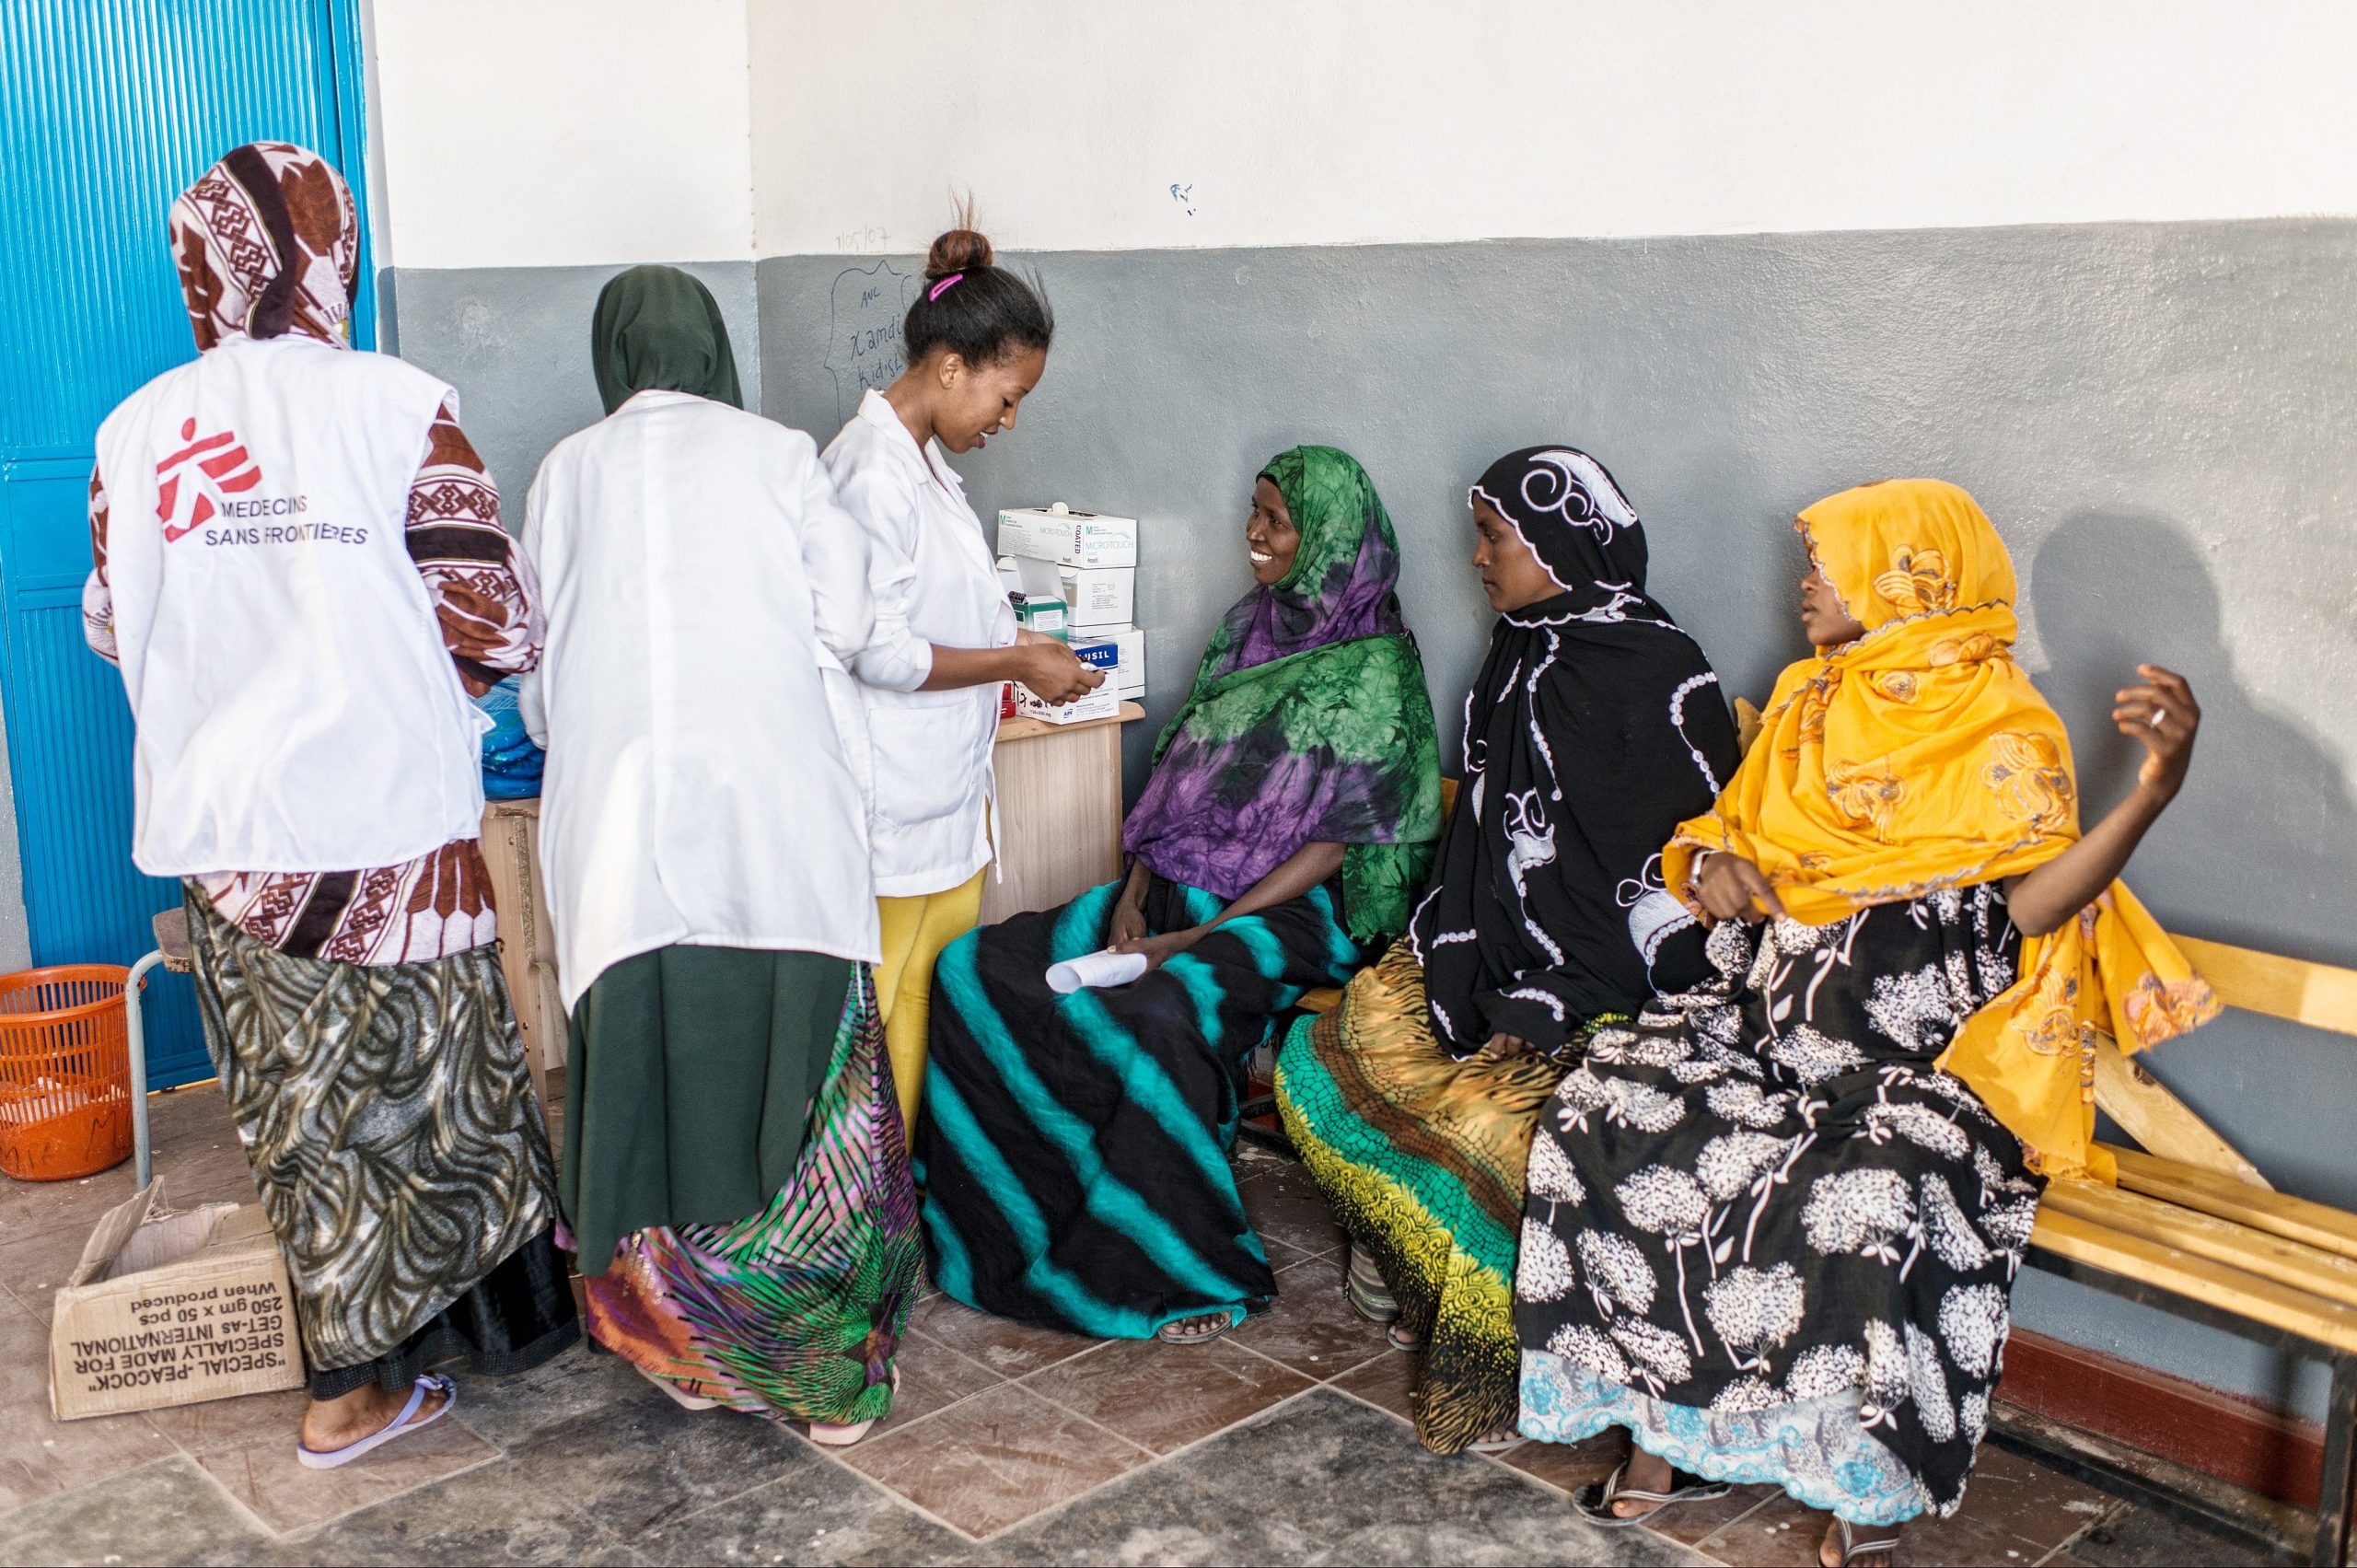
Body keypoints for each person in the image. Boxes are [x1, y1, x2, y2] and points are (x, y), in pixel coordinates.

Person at [1512, 479, 2219, 1568]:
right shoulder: (1807, 703)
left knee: (1872, 1186)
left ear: (1908, 580)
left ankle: (1863, 1480)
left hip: (1920, 1063)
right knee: (1601, 1113)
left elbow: (2030, 907)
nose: (1806, 583)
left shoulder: (2003, 726)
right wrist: (1717, 866)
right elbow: (1715, 839)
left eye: (1829, 564)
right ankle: (1667, 1437)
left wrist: (2150, 794)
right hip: (1763, 1035)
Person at [82, 143, 575, 1466]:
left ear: (201, 265)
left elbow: (113, 624)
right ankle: (462, 1346)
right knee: (445, 1098)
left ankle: (350, 1386)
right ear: (328, 252)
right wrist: (407, 673)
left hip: (229, 841)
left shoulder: (133, 433)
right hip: (384, 825)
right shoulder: (397, 404)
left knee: (303, 1120)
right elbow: (497, 617)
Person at [920, 445, 1444, 1344]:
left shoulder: (1376, 669)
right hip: (1177, 884)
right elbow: (1179, 777)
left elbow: (1338, 841)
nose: (1254, 532)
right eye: (1255, 510)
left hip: (1291, 913)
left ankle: (1176, 1267)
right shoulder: (1247, 627)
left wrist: (1195, 938)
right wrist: (1137, 892)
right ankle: (999, 1226)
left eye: (1276, 519)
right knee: (976, 965)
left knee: (1160, 1010)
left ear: (1329, 538)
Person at [1274, 447, 1740, 1455]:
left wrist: (1545, 996)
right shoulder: (1519, 648)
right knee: (1331, 1047)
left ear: (1564, 543)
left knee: (1494, 1123)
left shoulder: (1658, 672)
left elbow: (1664, 886)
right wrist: (1475, 957)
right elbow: (1490, 836)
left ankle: (1484, 1346)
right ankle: (1409, 1262)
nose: (1477, 558)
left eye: (1495, 538)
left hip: (1619, 979)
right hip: (1490, 939)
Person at [521, 265, 918, 1442]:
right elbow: (848, 624)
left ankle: (686, 1353)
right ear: (711, 349)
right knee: (803, 1101)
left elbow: (538, 679)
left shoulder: (564, 469)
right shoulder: (780, 454)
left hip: (620, 847)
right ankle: (823, 1378)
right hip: (775, 830)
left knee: (649, 1097)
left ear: (612, 356)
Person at [821, 224, 1100, 1144]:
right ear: (951, 367)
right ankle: (861, 1202)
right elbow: (880, 651)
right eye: (1007, 398)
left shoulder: (926, 467)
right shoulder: (869, 474)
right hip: (888, 803)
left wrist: (1022, 643)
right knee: (872, 1026)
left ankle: (899, 1188)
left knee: (918, 1007)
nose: (1006, 422)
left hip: (943, 801)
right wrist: (1018, 660)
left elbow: (941, 615)